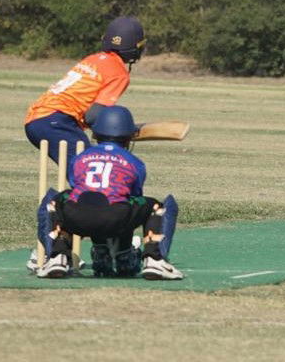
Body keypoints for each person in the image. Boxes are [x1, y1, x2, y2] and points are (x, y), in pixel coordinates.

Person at [24, 16, 146, 272]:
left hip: (38, 118)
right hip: (59, 122)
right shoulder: (119, 72)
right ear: (136, 47)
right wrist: (121, 128)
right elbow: (93, 116)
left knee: (90, 183)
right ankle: (51, 252)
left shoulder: (94, 59)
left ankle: (71, 247)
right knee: (95, 182)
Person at [36, 105, 183, 280]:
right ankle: (154, 259)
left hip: (77, 216)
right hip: (115, 216)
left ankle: (57, 257)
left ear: (96, 134)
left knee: (56, 199)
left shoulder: (80, 157)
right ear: (129, 137)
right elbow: (131, 196)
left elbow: (78, 187)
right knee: (156, 206)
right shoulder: (134, 162)